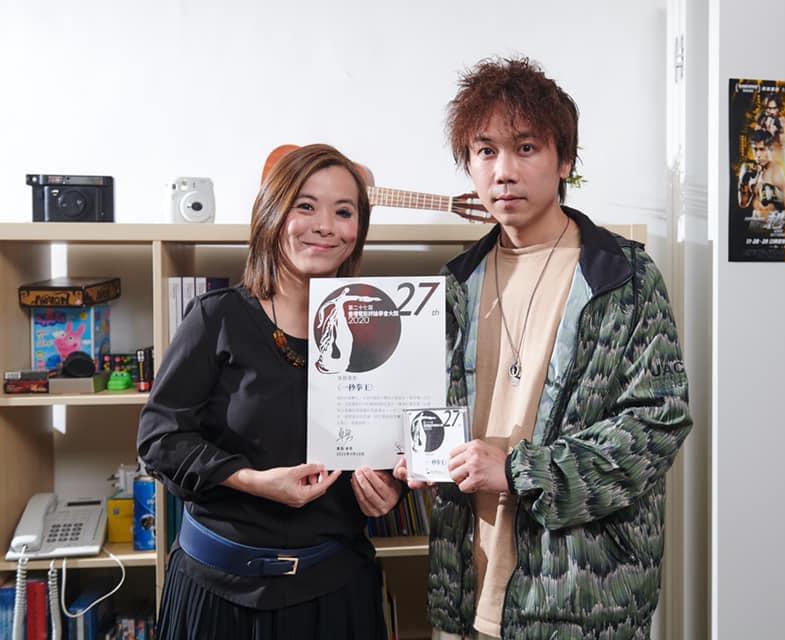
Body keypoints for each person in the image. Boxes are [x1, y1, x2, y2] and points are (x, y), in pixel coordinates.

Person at [395, 57, 692, 640]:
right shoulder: (452, 286)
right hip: (466, 587)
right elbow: (429, 414)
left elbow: (657, 423)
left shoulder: (622, 277)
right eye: (485, 151)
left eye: (525, 148)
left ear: (565, 162)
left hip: (581, 598)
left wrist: (517, 470)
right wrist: (416, 456)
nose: (504, 172)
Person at [137, 144, 403, 639]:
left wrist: (391, 487)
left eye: (344, 212)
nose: (325, 226)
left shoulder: (381, 328)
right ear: (271, 214)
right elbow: (159, 440)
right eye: (306, 206)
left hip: (335, 592)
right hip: (218, 596)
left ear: (359, 230)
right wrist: (251, 481)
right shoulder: (216, 317)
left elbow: (395, 442)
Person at [738, 129, 785, 232]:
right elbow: (743, 203)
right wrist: (744, 182)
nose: (758, 154)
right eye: (755, 149)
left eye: (762, 149)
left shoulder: (776, 170)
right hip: (755, 221)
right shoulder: (752, 169)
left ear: (770, 149)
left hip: (771, 224)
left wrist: (774, 195)